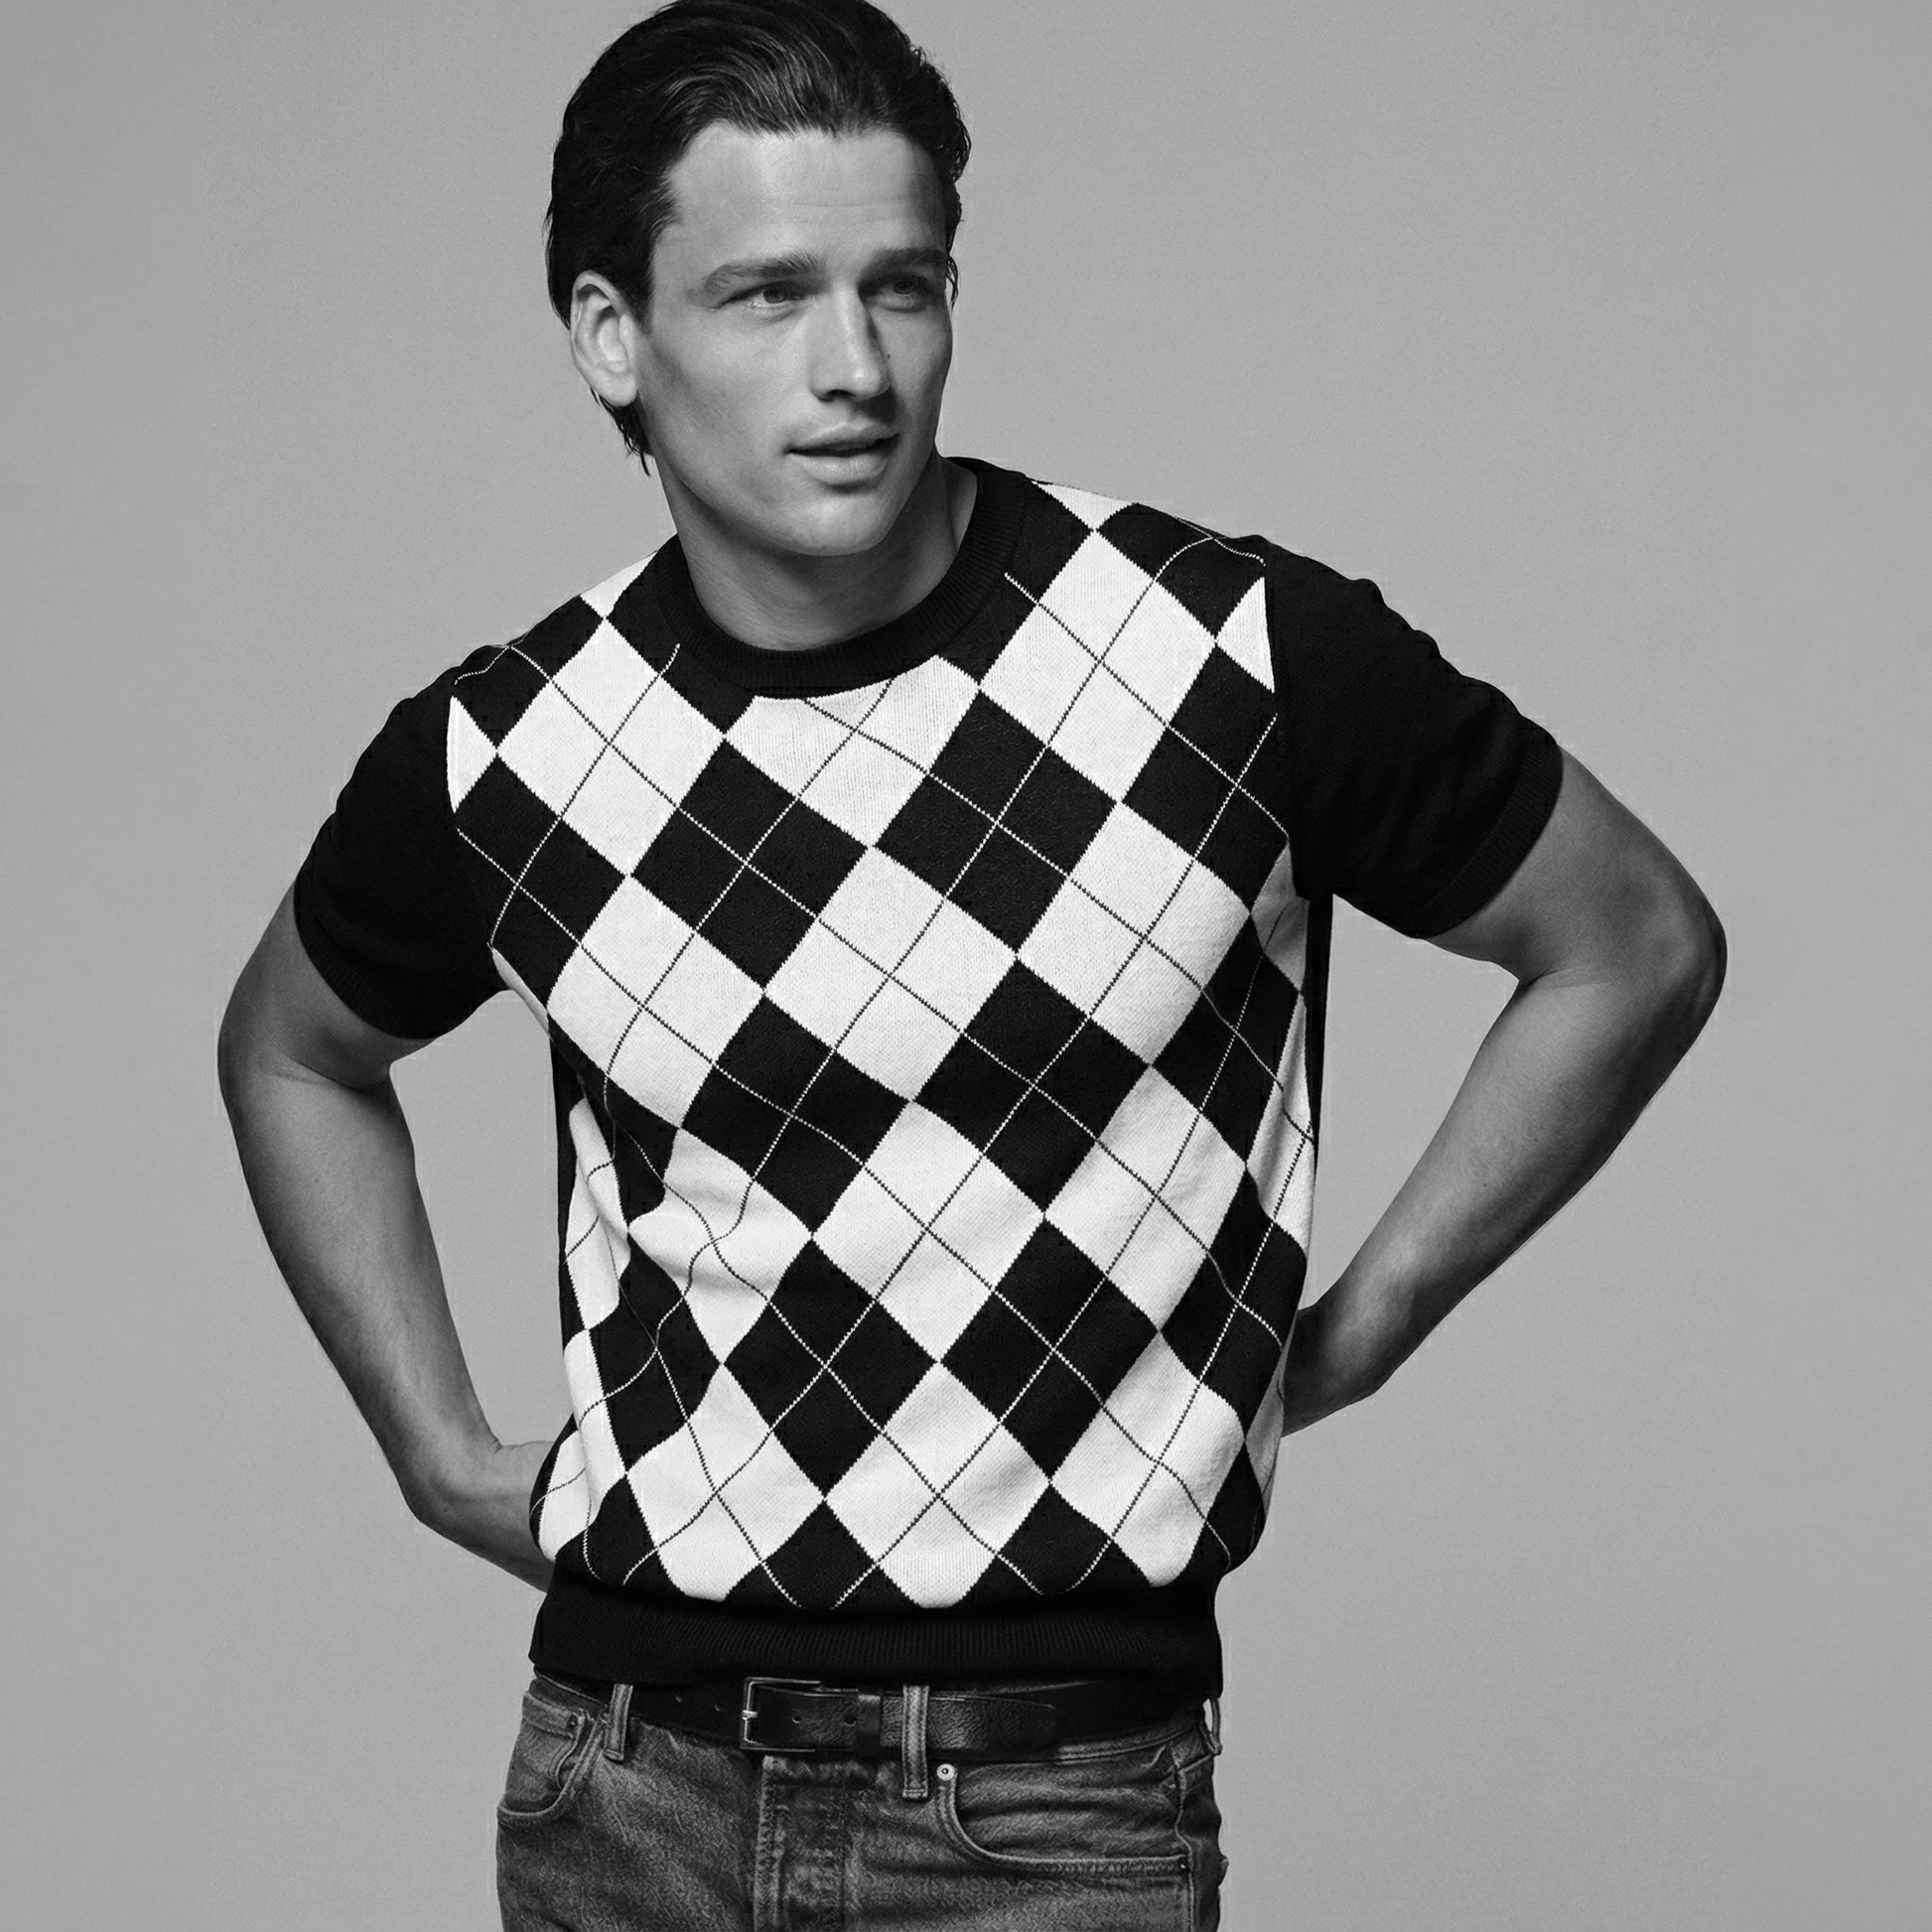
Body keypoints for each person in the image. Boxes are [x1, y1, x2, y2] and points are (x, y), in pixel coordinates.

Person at [216, 2, 1725, 1925]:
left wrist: (1363, 1320)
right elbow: (290, 1051)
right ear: (611, 333)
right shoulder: (511, 750)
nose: (852, 366)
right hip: (624, 1784)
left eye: (901, 286)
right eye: (766, 294)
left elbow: (1632, 942)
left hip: (1054, 1806)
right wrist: (435, 1455)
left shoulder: (1226, 660)